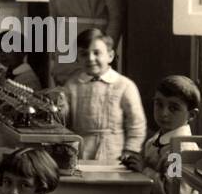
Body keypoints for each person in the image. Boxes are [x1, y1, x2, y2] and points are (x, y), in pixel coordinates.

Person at [62, 29, 146, 163]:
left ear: (110, 56)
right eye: (84, 54)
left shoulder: (124, 85)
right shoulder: (72, 85)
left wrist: (130, 150)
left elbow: (136, 123)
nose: (90, 59)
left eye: (97, 53)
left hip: (114, 151)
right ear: (78, 58)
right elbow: (64, 119)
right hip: (80, 150)